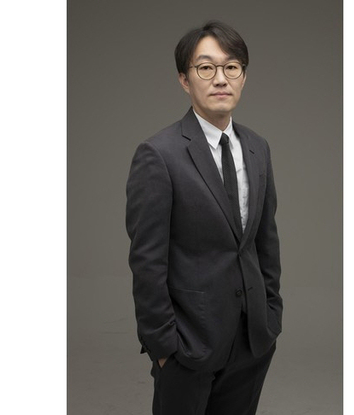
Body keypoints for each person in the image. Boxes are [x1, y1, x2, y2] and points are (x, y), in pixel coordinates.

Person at [126, 20, 283, 415]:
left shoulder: (257, 148)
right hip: (188, 345)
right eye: (206, 67)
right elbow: (147, 262)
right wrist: (164, 348)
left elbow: (265, 241)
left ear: (243, 76)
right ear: (184, 79)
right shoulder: (159, 154)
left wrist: (271, 316)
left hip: (252, 341)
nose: (221, 78)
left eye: (232, 67)